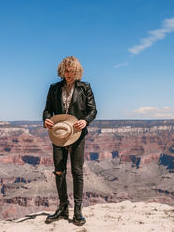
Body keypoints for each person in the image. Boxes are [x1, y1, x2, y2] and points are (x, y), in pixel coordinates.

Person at [42, 56, 97, 225]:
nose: (69, 74)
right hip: (59, 134)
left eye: (72, 71)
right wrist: (46, 120)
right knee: (59, 171)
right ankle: (63, 207)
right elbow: (47, 110)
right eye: (66, 70)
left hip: (77, 135)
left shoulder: (84, 88)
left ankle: (78, 210)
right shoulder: (54, 88)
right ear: (62, 71)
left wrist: (85, 120)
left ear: (77, 71)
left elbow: (93, 110)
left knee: (77, 171)